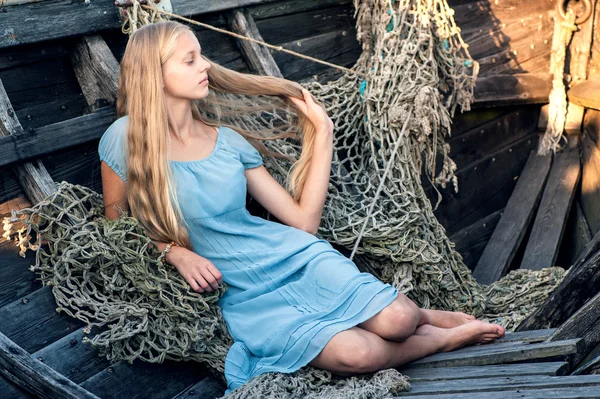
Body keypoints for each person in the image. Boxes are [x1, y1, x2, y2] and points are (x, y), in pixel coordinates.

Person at [98, 20, 505, 395]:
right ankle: (443, 336)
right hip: (243, 293)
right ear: (155, 73)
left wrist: (323, 132)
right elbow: (116, 228)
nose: (205, 64)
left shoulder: (229, 142)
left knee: (399, 322)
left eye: (201, 54)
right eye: (190, 60)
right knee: (361, 356)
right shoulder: (124, 139)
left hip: (292, 255)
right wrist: (174, 251)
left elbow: (303, 223)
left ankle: (420, 316)